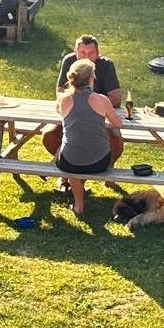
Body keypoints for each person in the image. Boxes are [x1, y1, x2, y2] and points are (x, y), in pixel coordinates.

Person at [52, 59, 123, 215]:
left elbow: (69, 117)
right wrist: (100, 123)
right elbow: (117, 123)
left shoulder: (63, 100)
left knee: (71, 155)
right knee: (83, 152)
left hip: (69, 162)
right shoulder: (101, 100)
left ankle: (79, 204)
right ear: (92, 78)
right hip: (99, 162)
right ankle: (80, 197)